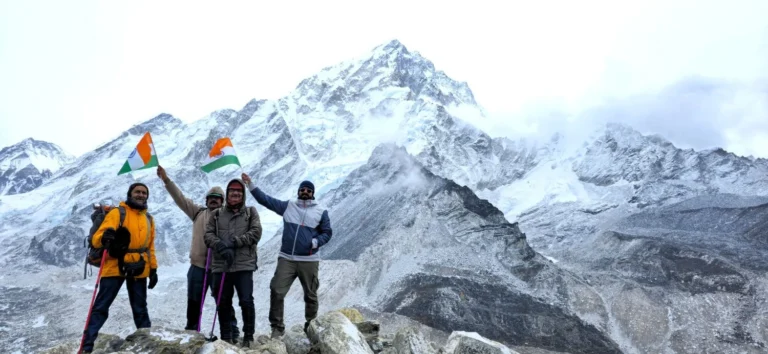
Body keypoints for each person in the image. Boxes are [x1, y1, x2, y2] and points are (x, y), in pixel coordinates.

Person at [240, 173, 332, 338]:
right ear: (298, 191)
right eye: (302, 189)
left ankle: (310, 326)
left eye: (308, 190)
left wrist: (315, 242)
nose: (305, 192)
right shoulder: (289, 206)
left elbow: (327, 232)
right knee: (276, 289)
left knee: (310, 295)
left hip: (309, 260)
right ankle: (277, 328)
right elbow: (266, 200)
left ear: (313, 193)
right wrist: (250, 184)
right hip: (287, 258)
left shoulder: (321, 211)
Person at [156, 166, 240, 340]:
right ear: (207, 200)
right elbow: (180, 198)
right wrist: (166, 180)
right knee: (194, 302)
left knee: (224, 303)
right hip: (198, 267)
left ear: (222, 201)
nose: (213, 201)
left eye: (217, 199)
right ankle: (192, 333)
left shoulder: (228, 217)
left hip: (218, 268)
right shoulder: (197, 213)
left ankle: (231, 333)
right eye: (211, 198)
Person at [82, 182, 159, 353]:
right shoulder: (118, 213)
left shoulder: (149, 219)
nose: (141, 195)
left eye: (144, 193)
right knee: (101, 307)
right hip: (114, 264)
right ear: (130, 194)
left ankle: (147, 342)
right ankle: (87, 345)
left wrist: (153, 268)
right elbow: (97, 239)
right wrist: (105, 237)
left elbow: (150, 247)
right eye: (137, 192)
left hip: (139, 266)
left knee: (140, 308)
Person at [204, 178, 262, 348]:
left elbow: (256, 232)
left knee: (246, 301)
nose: (235, 193)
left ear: (243, 195)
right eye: (232, 191)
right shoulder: (216, 215)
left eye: (239, 191)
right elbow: (208, 235)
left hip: (244, 264)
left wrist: (234, 242)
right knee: (222, 302)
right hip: (221, 265)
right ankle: (227, 338)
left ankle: (248, 337)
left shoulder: (251, 212)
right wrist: (220, 246)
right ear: (227, 194)